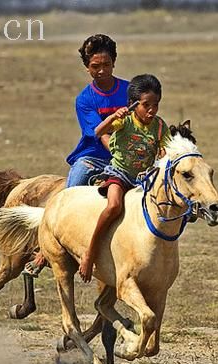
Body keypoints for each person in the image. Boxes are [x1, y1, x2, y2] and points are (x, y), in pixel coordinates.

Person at [23, 34, 129, 277]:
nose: (102, 70)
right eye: (95, 66)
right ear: (86, 67)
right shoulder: (85, 99)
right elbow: (98, 135)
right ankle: (46, 246)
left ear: (114, 62)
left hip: (128, 155)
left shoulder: (128, 90)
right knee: (69, 193)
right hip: (94, 157)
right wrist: (118, 155)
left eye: (106, 65)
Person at [78, 74, 171, 282]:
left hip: (143, 179)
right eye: (146, 105)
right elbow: (97, 132)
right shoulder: (125, 120)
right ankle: (90, 253)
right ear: (132, 104)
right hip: (119, 174)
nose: (151, 110)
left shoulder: (159, 126)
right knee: (113, 207)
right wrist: (112, 117)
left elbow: (166, 150)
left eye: (155, 105)